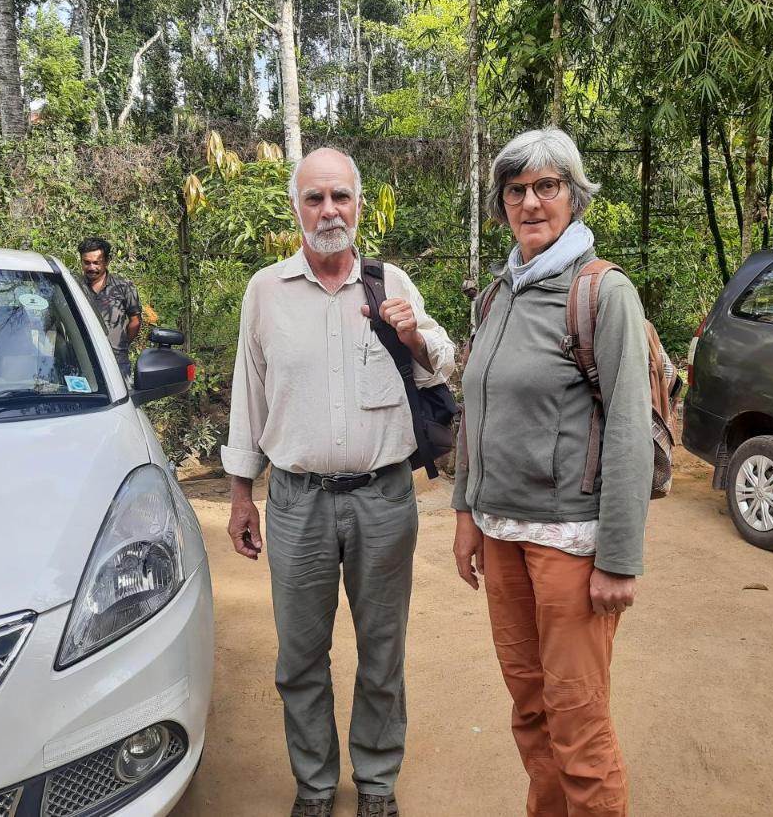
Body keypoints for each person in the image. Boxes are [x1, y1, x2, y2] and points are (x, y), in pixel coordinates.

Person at [223, 147, 456, 817]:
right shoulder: (265, 291)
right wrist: (242, 493)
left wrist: (412, 337)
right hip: (297, 503)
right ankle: (316, 786)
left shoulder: (390, 283)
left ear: (359, 204)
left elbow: (443, 363)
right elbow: (251, 395)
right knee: (299, 656)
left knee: (382, 652)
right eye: (316, 198)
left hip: (385, 498)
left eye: (341, 197)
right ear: (296, 208)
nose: (330, 210)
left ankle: (377, 783)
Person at [451, 127, 652, 817]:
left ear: (573, 195)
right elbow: (473, 408)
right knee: (530, 709)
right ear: (503, 202)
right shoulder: (497, 295)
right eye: (517, 189)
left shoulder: (601, 292)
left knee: (578, 722)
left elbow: (629, 429)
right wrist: (464, 515)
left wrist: (619, 558)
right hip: (501, 534)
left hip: (569, 542)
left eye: (547, 186)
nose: (531, 202)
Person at [77, 237, 141, 382]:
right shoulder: (74, 286)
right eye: (86, 262)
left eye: (96, 263)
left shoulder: (124, 287)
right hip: (81, 360)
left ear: (106, 262)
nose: (91, 267)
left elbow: (135, 321)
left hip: (116, 361)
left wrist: (121, 343)